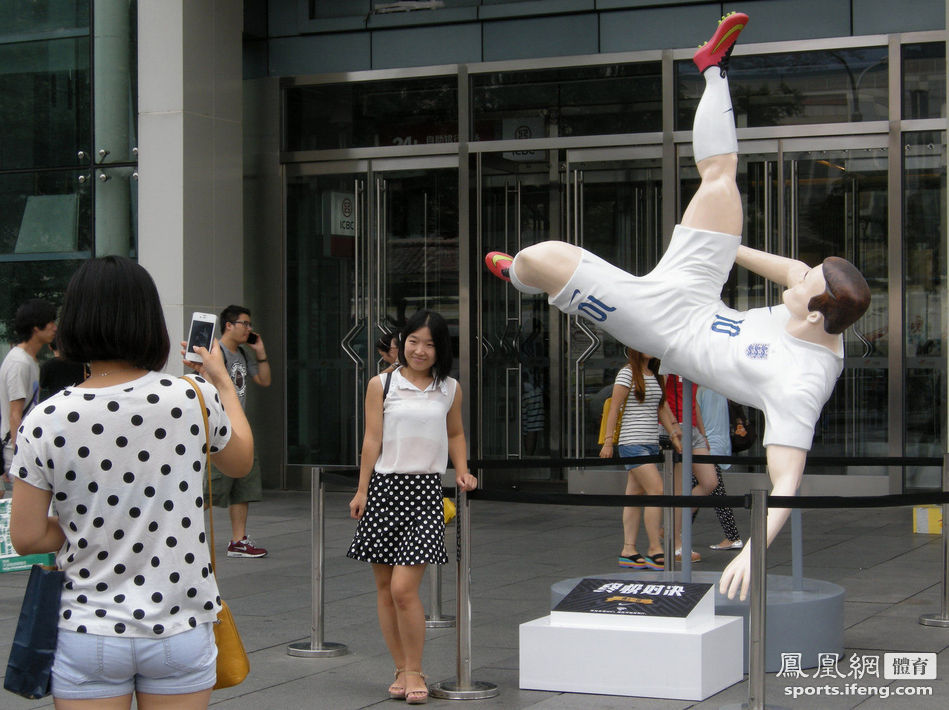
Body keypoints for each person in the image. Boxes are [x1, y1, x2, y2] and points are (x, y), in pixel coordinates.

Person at [483, 11, 870, 600]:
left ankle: (517, 278)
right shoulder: (818, 307)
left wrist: (754, 546)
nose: (796, 275)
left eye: (804, 283)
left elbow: (787, 478)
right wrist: (724, 243)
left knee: (543, 257)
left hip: (665, 327)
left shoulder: (802, 382)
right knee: (721, 182)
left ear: (815, 314)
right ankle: (713, 70)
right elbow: (791, 271)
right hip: (696, 290)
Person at [8, 255, 254, 709]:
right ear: (149, 322)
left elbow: (24, 537)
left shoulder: (45, 419)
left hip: (88, 628)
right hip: (179, 625)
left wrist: (93, 525)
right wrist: (220, 382)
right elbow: (239, 461)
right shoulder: (190, 397)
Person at [347, 310, 478, 704]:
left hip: (424, 493)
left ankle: (416, 669)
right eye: (413, 341)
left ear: (441, 349)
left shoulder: (449, 387)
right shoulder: (381, 384)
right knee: (385, 590)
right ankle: (402, 668)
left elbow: (455, 432)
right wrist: (361, 490)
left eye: (431, 343)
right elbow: (372, 440)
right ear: (401, 343)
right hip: (384, 489)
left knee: (405, 589)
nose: (420, 350)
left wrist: (463, 471)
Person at [599, 348, 681, 570]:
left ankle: (629, 549)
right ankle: (655, 548)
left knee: (634, 495)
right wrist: (608, 442)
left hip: (649, 442)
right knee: (656, 490)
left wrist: (673, 433)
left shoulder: (654, 375)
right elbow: (614, 407)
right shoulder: (627, 373)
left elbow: (661, 407)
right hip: (632, 443)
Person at [207, 304, 271, 558]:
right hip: (217, 429)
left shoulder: (243, 354)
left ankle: (238, 540)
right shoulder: (215, 352)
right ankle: (178, 535)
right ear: (228, 326)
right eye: (244, 323)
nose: (249, 328)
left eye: (249, 324)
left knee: (243, 485)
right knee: (209, 488)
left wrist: (261, 352)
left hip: (240, 428)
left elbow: (264, 380)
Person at [0, 298, 57, 497]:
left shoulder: (30, 360)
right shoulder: (19, 362)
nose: (54, 327)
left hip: (28, 448)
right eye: (50, 321)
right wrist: (19, 456)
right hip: (18, 450)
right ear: (35, 327)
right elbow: (15, 414)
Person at [696, 385, 743, 550]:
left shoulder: (698, 390)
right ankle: (675, 529)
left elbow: (696, 417)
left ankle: (733, 536)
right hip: (721, 443)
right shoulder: (722, 389)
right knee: (699, 488)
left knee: (714, 490)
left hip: (706, 444)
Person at [39, 336, 87, 401]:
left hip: (56, 403)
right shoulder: (81, 364)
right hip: (78, 401)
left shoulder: (47, 365)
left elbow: (40, 387)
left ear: (50, 347)